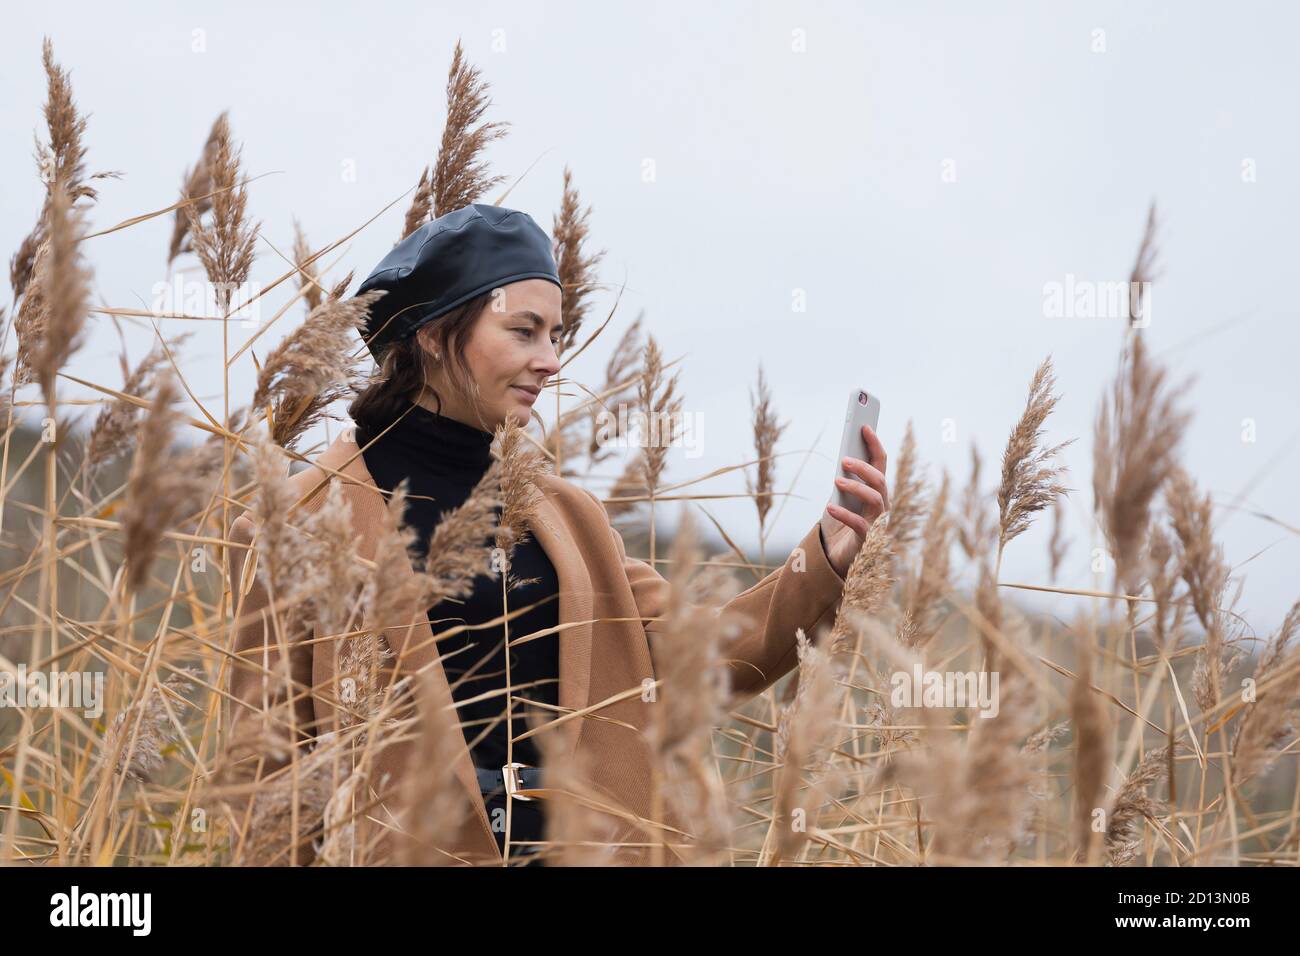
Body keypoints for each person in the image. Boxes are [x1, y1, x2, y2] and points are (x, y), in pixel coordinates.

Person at [225, 203, 890, 867]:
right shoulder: (296, 527)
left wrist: (824, 558)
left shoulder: (570, 519)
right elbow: (263, 779)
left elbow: (700, 665)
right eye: (524, 332)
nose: (550, 361)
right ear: (432, 333)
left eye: (556, 336)